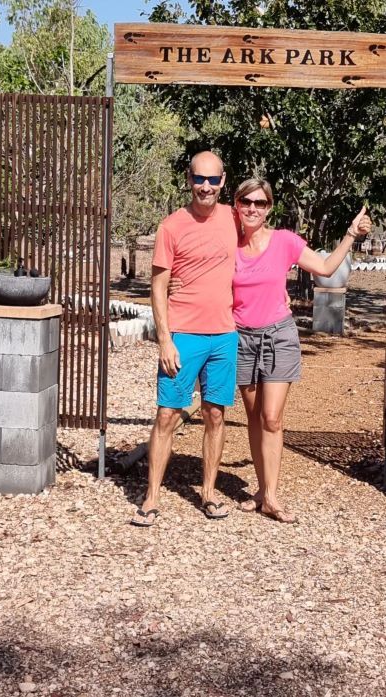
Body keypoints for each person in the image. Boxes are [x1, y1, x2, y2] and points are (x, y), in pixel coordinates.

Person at [171, 178, 371, 523]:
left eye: (260, 203)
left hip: (278, 336)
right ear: (236, 204)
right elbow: (198, 272)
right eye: (246, 202)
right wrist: (175, 281)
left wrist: (351, 235)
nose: (252, 208)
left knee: (272, 418)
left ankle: (272, 498)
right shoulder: (227, 243)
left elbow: (324, 269)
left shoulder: (284, 241)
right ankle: (262, 490)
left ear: (269, 208)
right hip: (241, 337)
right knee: (252, 417)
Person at [130, 151, 239, 527]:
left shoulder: (234, 217)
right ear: (188, 179)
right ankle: (151, 497)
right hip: (183, 335)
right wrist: (165, 340)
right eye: (199, 179)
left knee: (215, 414)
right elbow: (157, 288)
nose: (205, 187)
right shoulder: (172, 226)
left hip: (224, 335)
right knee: (166, 415)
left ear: (223, 181)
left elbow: (263, 249)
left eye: (212, 180)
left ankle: (208, 493)